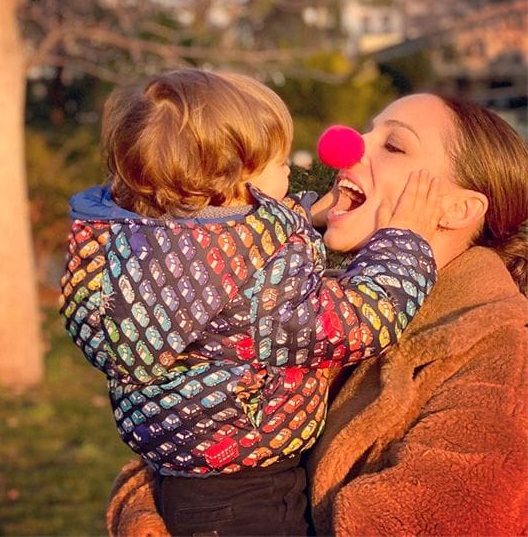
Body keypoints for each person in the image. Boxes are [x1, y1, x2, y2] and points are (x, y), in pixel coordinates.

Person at [105, 92, 528, 537]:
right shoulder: (305, 301)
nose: (348, 146)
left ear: (458, 208)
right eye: (367, 131)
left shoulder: (505, 359)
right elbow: (183, 438)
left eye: (394, 146)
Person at [59, 69, 441, 536]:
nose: (291, 170)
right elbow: (361, 321)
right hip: (247, 493)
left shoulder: (139, 239)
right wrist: (405, 242)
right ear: (238, 179)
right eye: (280, 162)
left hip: (186, 478)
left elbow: (230, 245)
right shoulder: (259, 287)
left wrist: (304, 215)